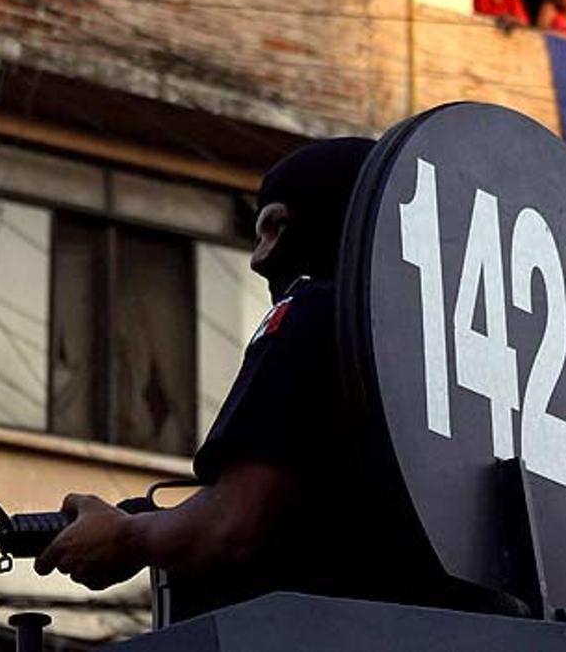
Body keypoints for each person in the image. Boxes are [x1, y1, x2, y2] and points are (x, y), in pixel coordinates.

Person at [33, 138, 446, 618]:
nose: (258, 259)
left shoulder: (320, 310)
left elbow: (232, 525)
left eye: (274, 228)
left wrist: (126, 537)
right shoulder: (444, 358)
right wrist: (152, 522)